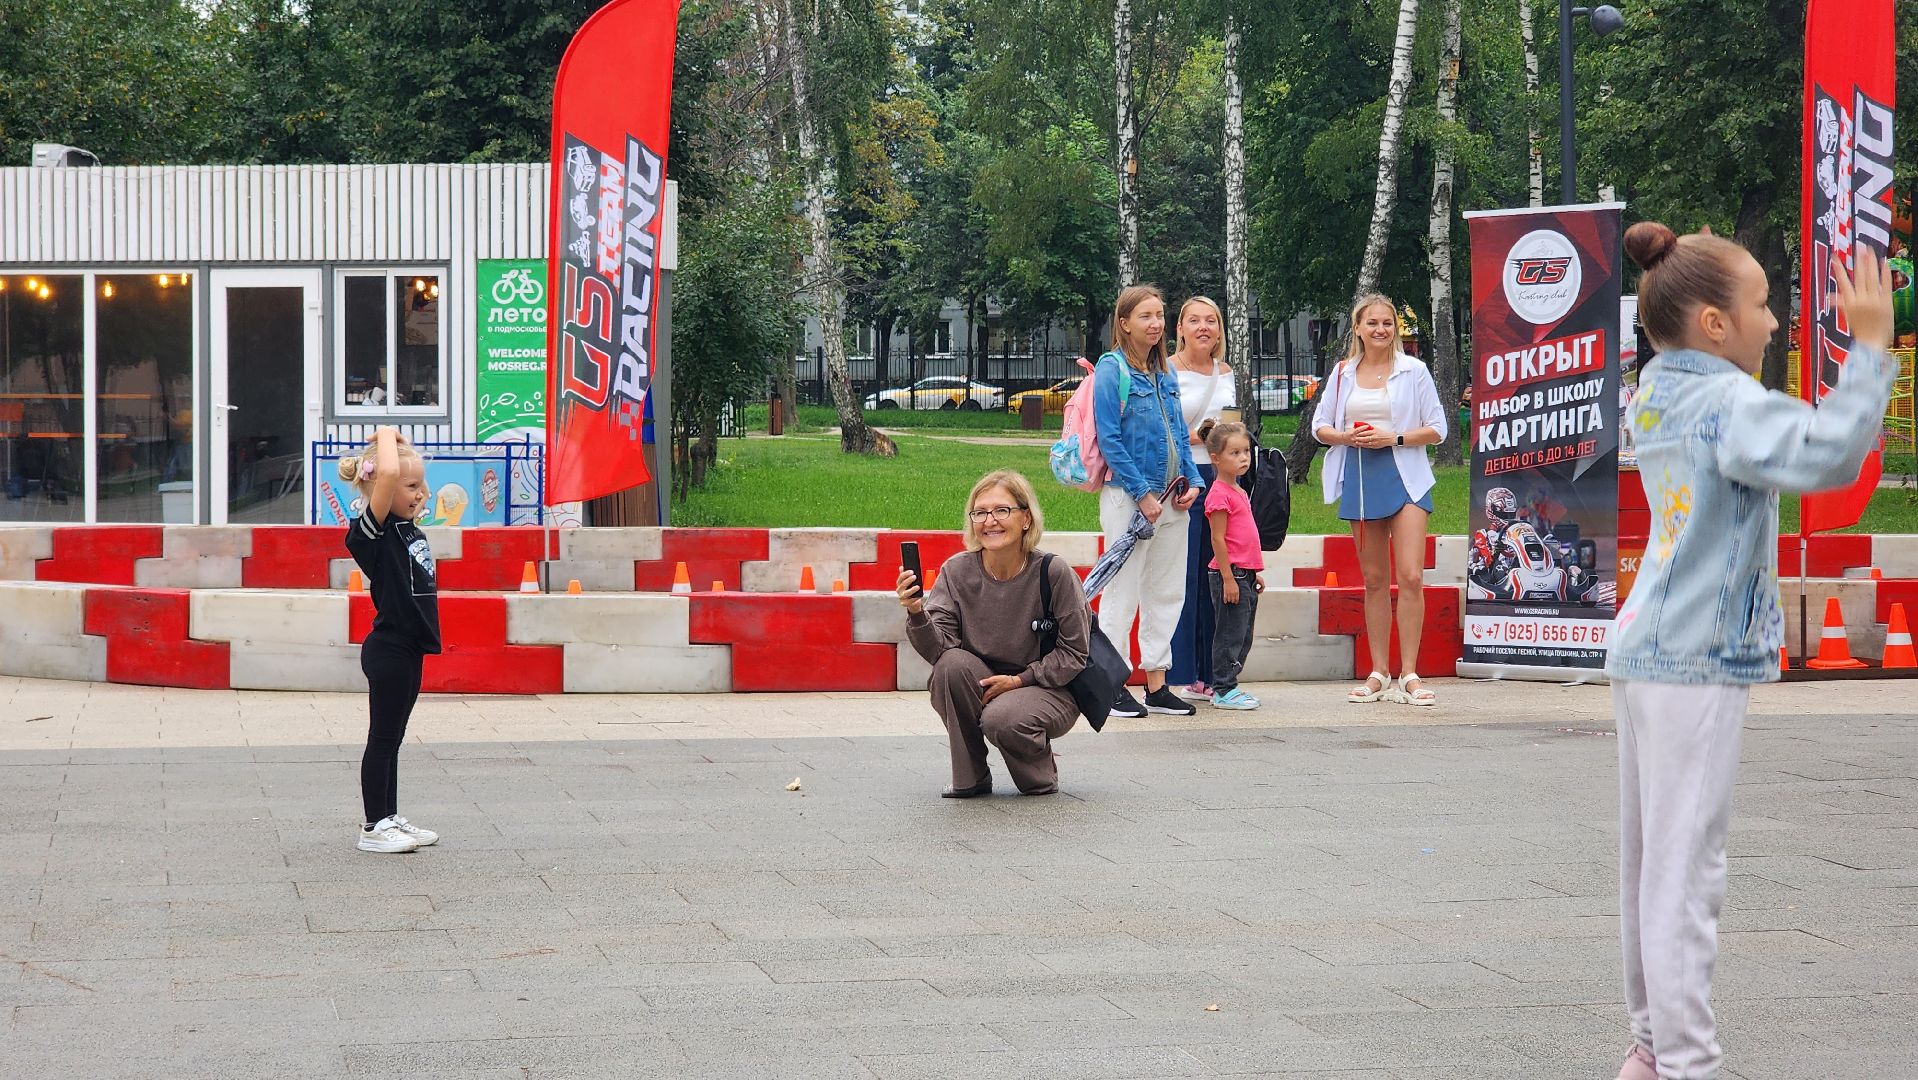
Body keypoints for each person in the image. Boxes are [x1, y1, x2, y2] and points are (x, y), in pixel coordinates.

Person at [1604, 226, 1894, 1080]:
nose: (1775, 323)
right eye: (1763, 306)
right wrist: (1871, 348)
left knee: (1650, 868)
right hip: (1693, 657)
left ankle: (1652, 1051)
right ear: (1714, 324)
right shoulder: (1726, 402)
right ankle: (1688, 1064)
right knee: (1687, 875)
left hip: (1651, 647)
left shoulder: (1656, 390)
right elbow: (1832, 454)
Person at [900, 470, 1088, 797]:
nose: (990, 521)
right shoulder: (956, 571)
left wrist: (1018, 681)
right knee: (950, 666)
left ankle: (1039, 770)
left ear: (1026, 518)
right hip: (984, 680)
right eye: (980, 512)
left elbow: (1074, 654)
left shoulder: (1054, 572)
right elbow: (939, 649)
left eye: (1002, 510)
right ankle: (970, 776)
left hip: (1047, 687)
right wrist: (916, 611)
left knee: (1002, 720)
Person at [1312, 292, 1447, 706]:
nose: (1380, 330)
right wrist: (1345, 436)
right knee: (1373, 580)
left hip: (1406, 474)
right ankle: (1379, 672)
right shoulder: (1341, 373)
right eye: (1372, 323)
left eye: (1387, 323)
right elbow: (1320, 427)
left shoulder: (1415, 370)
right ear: (1358, 328)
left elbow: (1438, 428)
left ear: (1396, 329)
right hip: (1360, 477)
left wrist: (1395, 438)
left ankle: (1409, 673)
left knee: (1409, 575)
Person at [1094, 285, 1206, 718]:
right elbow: (1110, 439)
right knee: (1122, 593)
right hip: (1129, 498)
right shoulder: (1112, 369)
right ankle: (1111, 683)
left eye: (1159, 315)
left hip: (1172, 499)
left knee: (1166, 592)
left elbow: (1179, 433)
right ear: (1124, 323)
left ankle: (1156, 683)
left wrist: (1192, 480)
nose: (1156, 324)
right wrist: (1142, 494)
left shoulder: (1165, 374)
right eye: (1145, 316)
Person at [340, 427, 442, 853]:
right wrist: (386, 432)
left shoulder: (407, 529)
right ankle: (373, 825)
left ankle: (389, 816)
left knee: (393, 737)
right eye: (412, 486)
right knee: (382, 738)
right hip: (389, 647)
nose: (422, 494)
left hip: (410, 646)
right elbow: (385, 474)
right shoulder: (370, 534)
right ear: (380, 486)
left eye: (423, 485)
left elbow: (391, 476)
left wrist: (402, 452)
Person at [1168, 296, 1235, 700]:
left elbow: (1234, 424)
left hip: (1221, 479)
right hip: (1182, 476)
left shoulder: (1226, 372)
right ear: (1180, 328)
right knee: (1183, 575)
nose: (1203, 327)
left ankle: (1212, 673)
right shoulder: (1168, 371)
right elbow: (1164, 425)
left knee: (1215, 572)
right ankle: (1180, 670)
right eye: (1194, 320)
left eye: (1211, 320)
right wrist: (1206, 436)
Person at [1201, 422, 1262, 711]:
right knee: (1229, 634)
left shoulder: (1238, 490)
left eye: (1246, 451)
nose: (1244, 458)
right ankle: (1223, 688)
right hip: (1231, 574)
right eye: (1235, 452)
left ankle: (1229, 684)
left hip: (1244, 573)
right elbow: (1218, 538)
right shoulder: (1219, 494)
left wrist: (1254, 572)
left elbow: (1243, 537)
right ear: (1216, 458)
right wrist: (1228, 578)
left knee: (1243, 633)